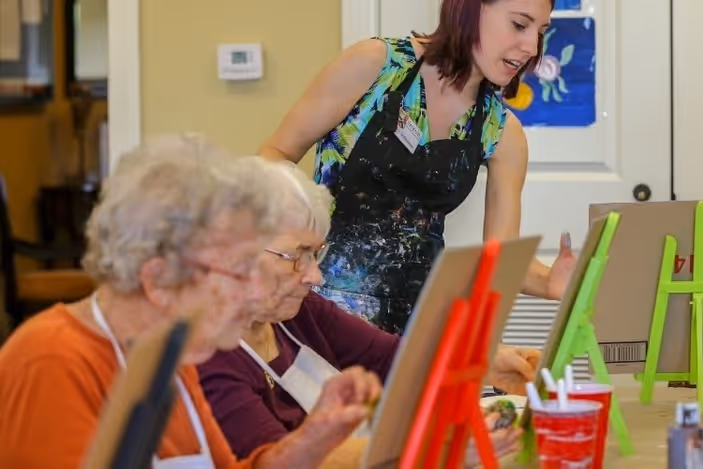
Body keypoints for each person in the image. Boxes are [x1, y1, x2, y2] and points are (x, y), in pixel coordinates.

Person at [0, 135, 379, 468]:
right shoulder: (51, 360)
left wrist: (314, 439)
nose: (247, 292)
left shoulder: (169, 353)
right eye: (233, 274)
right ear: (158, 280)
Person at [258, 0, 576, 335]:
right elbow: (275, 154)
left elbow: (502, 259)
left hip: (419, 327)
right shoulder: (376, 66)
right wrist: (288, 245)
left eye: (541, 32)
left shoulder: (502, 132)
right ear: (468, 9)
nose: (531, 47)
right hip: (321, 314)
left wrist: (550, 283)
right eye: (519, 25)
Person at [198, 158, 532, 462]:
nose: (315, 276)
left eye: (316, 254)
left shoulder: (298, 312)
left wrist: (483, 359)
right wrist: (426, 445)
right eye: (297, 255)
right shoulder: (206, 357)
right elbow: (282, 461)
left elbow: (390, 359)